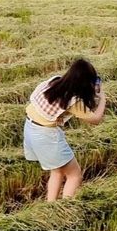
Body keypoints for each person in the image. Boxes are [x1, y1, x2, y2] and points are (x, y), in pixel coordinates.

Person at [24, 58, 106, 201]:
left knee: (57, 171)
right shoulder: (73, 100)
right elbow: (96, 119)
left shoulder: (54, 81)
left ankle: (52, 207)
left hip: (30, 128)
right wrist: (103, 98)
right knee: (75, 175)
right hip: (46, 136)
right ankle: (65, 208)